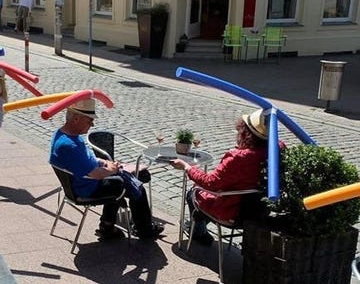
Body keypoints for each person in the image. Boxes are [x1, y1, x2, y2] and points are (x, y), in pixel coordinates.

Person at [49, 98, 163, 241]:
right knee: (135, 185)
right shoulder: (69, 145)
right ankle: (145, 231)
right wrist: (113, 169)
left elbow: (85, 160)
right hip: (87, 188)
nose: (92, 124)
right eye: (89, 120)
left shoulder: (63, 135)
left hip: (78, 184)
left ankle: (107, 226)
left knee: (137, 176)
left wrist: (104, 162)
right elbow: (96, 174)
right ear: (76, 118)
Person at [170, 109, 283, 246]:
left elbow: (210, 183)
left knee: (193, 193)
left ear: (245, 132)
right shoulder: (278, 149)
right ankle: (198, 224)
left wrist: (186, 167)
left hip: (231, 211)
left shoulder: (239, 157)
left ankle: (198, 231)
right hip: (258, 210)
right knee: (203, 192)